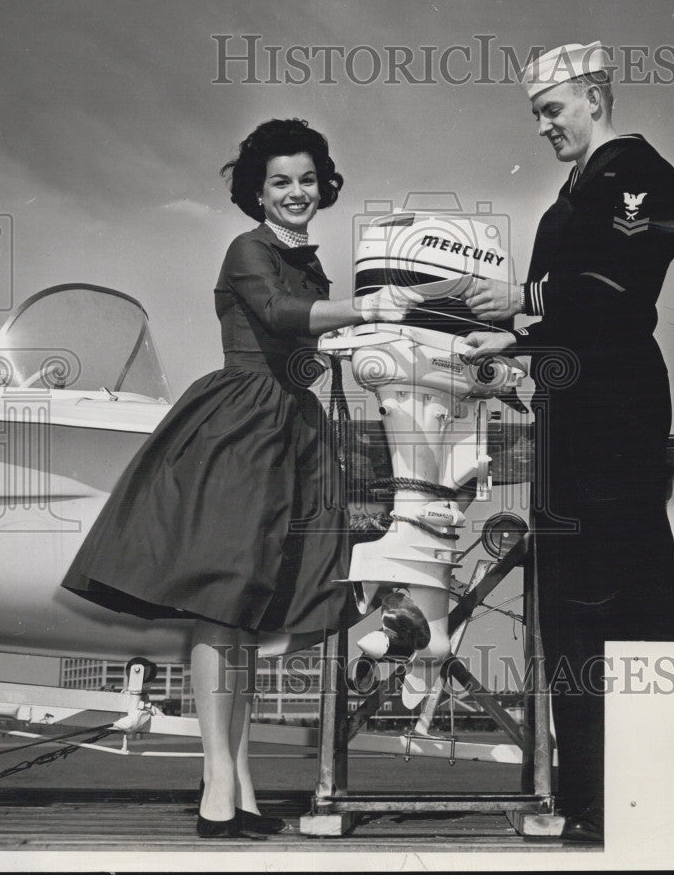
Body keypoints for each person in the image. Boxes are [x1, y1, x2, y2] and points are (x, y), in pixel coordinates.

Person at [62, 117, 420, 838]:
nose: (296, 192)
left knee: (252, 616)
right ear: (258, 193)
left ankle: (241, 781)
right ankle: (216, 783)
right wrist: (364, 307)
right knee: (223, 603)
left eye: (307, 180)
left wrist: (363, 336)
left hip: (293, 428)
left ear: (323, 185)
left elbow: (307, 338)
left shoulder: (306, 257)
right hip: (242, 426)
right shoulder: (247, 249)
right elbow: (280, 313)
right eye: (281, 182)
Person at [460, 42, 674, 842]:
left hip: (615, 408)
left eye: (552, 109)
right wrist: (514, 343)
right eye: (535, 114)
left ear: (595, 98)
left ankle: (653, 789)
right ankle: (593, 796)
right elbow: (568, 310)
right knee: (572, 598)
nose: (542, 126)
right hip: (574, 404)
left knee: (625, 591)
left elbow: (621, 286)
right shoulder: (575, 191)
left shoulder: (637, 176)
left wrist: (521, 301)